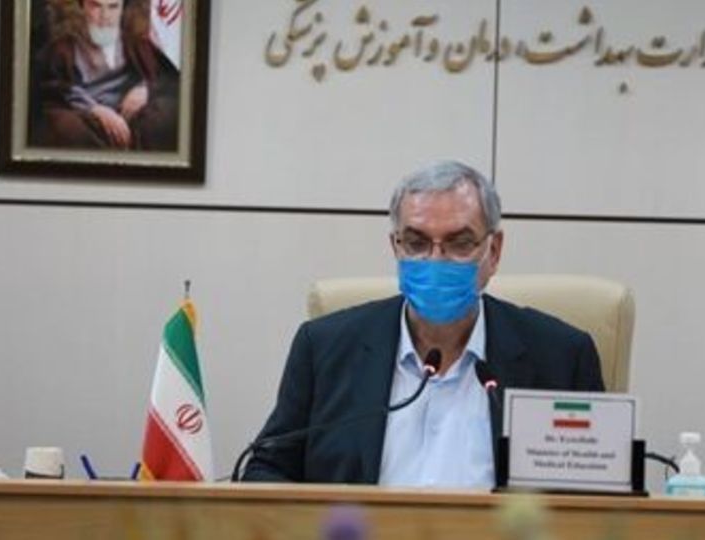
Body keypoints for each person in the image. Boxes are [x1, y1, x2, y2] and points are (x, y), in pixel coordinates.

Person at [242, 161, 604, 488]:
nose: (435, 260)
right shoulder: (324, 348)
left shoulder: (562, 357)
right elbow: (265, 471)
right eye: (416, 243)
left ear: (493, 252)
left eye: (459, 243)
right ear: (395, 247)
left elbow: (599, 499)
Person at [30, 0, 179, 150]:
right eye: (96, 6)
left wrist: (145, 89)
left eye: (113, 7)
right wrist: (95, 109)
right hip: (85, 116)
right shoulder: (64, 48)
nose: (105, 16)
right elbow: (55, 87)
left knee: (164, 115)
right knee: (64, 127)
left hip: (131, 115)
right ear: (82, 7)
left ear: (122, 9)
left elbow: (166, 78)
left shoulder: (137, 43)